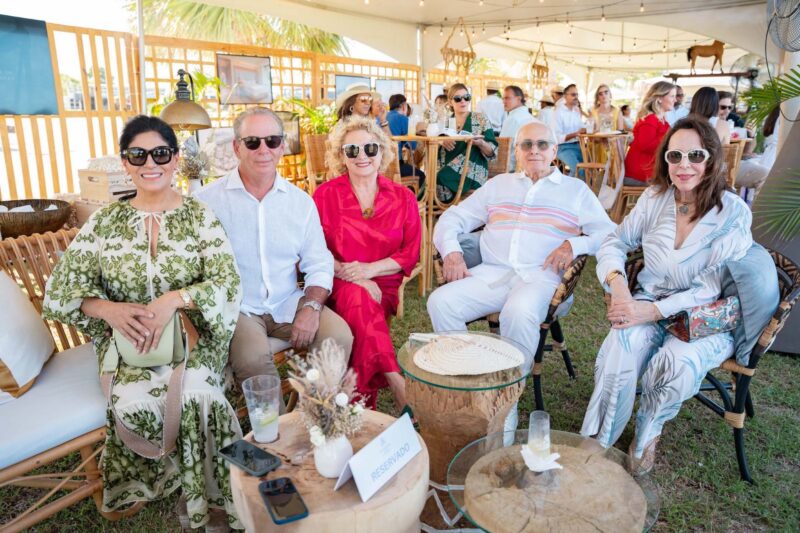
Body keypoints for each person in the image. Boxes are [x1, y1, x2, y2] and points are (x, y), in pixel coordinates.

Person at [43, 115, 244, 531]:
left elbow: (227, 281)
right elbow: (61, 293)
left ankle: (217, 500)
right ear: (126, 163)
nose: (150, 162)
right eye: (138, 154)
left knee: (201, 395)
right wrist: (107, 310)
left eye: (160, 153)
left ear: (174, 161)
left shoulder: (199, 217)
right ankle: (178, 484)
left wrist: (177, 299)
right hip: (128, 348)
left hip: (190, 342)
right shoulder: (103, 223)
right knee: (134, 404)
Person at [581, 116, 753, 475]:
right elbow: (616, 241)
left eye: (695, 155)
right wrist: (618, 286)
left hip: (702, 317)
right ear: (665, 161)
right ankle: (597, 438)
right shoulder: (654, 198)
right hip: (645, 298)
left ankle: (648, 431)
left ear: (712, 159)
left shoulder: (733, 212)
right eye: (675, 156)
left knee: (673, 364)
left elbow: (708, 288)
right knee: (620, 346)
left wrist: (651, 312)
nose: (684, 165)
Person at [427, 121, 615, 437]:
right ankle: (471, 386)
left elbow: (609, 233)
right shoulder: (499, 185)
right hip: (493, 273)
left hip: (541, 279)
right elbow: (454, 217)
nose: (534, 151)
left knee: (519, 309)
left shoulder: (575, 191)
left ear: (554, 151)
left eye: (542, 145)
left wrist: (575, 244)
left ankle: (506, 401)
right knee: (441, 302)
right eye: (526, 145)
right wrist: (452, 253)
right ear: (516, 151)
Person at [196, 108, 353, 396]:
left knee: (338, 336)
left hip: (287, 300)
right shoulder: (206, 202)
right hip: (239, 307)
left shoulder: (299, 203)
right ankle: (273, 438)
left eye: (272, 141)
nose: (263, 150)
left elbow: (318, 263)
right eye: (253, 142)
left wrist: (311, 306)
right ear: (236, 147)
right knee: (253, 359)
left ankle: (318, 419)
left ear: (282, 146)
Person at [313, 116, 421, 409]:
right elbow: (313, 251)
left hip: (383, 284)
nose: (362, 156)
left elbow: (410, 252)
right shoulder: (325, 196)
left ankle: (357, 406)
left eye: (370, 149)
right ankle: (395, 381)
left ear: (382, 152)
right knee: (360, 299)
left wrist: (370, 270)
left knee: (364, 307)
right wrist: (354, 276)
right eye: (352, 150)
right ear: (341, 156)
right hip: (339, 281)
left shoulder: (403, 197)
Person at [437, 83, 498, 201]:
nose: (463, 101)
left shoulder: (480, 119)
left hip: (473, 170)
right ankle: (439, 210)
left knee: (440, 178)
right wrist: (441, 140)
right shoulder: (445, 121)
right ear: (450, 102)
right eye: (458, 98)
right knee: (431, 179)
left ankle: (443, 209)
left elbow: (493, 153)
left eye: (467, 97)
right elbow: (432, 140)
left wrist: (481, 143)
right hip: (447, 166)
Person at [623, 81, 676, 185]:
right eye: (672, 96)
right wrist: (668, 138)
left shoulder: (662, 120)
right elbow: (646, 146)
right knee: (674, 185)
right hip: (640, 174)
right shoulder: (650, 119)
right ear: (660, 98)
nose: (675, 100)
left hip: (650, 171)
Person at [736, 106, 780, 197]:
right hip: (775, 156)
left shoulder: (774, 117)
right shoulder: (785, 117)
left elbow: (750, 149)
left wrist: (752, 135)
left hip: (769, 155)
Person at [386, 93, 426, 190]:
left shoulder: (382, 117)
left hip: (380, 167)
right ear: (404, 106)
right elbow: (412, 146)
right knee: (421, 176)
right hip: (396, 166)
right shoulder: (403, 118)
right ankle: (417, 202)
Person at [548, 83, 586, 177]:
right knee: (580, 170)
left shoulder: (576, 111)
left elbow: (582, 128)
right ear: (565, 96)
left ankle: (572, 188)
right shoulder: (558, 112)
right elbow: (556, 138)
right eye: (573, 95)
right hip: (563, 147)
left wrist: (588, 128)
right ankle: (568, 189)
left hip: (578, 145)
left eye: (577, 95)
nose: (576, 97)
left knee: (589, 168)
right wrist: (576, 134)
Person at [499, 85, 538, 172]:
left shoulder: (513, 119)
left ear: (519, 99)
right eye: (503, 98)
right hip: (532, 166)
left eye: (507, 98)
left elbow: (503, 148)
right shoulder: (532, 118)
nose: (504, 101)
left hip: (513, 169)